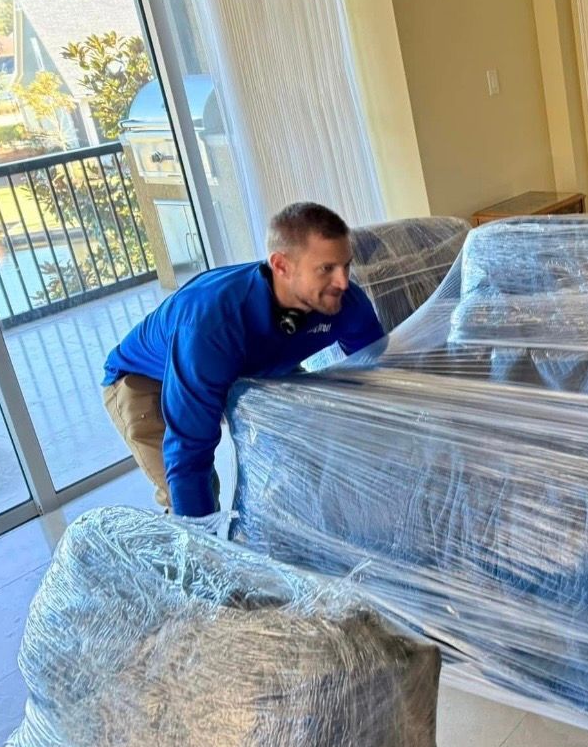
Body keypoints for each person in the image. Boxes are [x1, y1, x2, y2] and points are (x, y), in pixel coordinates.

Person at [101, 201, 384, 516]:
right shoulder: (212, 325)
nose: (343, 282)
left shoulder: (344, 301)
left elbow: (377, 372)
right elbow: (188, 454)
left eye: (346, 265)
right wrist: (203, 546)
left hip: (251, 365)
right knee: (194, 495)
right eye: (326, 269)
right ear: (281, 266)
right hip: (146, 381)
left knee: (305, 453)